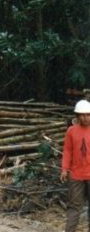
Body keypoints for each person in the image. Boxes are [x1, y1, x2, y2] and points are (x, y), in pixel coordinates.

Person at [61, 99, 90, 232]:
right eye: (83, 115)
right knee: (74, 207)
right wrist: (64, 169)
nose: (86, 117)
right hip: (76, 175)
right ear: (77, 116)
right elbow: (67, 151)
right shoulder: (71, 131)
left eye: (88, 114)